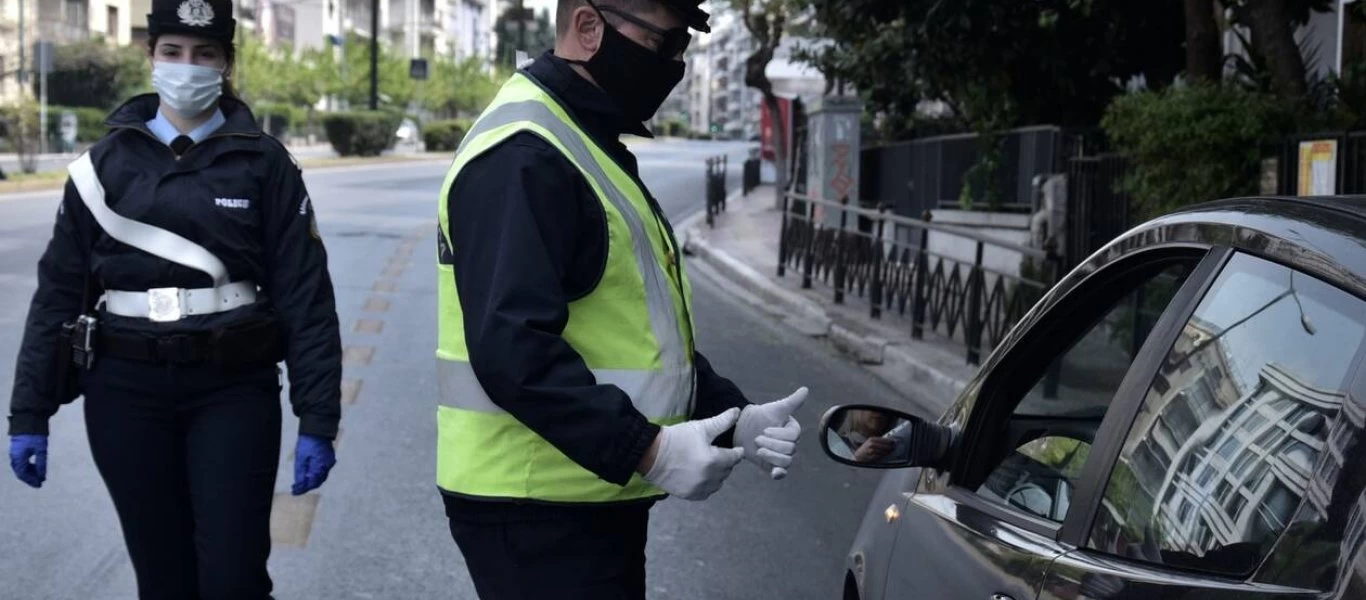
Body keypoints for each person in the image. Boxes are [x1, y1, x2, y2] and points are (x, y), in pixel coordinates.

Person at [434, 0, 808, 597]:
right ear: (588, 28)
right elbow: (512, 347)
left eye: (684, 45)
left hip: (578, 495)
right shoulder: (526, 151)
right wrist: (649, 449)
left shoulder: (581, 137)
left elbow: (633, 327)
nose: (675, 63)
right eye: (664, 43)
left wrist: (730, 417)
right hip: (534, 505)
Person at [6, 0, 342, 596]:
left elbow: (305, 296)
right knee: (162, 578)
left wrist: (318, 418)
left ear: (227, 63)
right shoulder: (100, 168)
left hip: (233, 388)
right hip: (124, 391)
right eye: (173, 52)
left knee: (233, 577)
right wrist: (30, 414)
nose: (187, 67)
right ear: (151, 56)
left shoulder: (265, 164)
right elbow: (59, 294)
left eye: (204, 53)